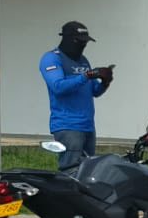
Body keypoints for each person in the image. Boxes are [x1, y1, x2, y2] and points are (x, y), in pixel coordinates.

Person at [40, 20, 113, 173]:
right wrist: (86, 76)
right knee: (71, 171)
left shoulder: (83, 61)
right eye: (79, 42)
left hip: (87, 125)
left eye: (85, 42)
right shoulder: (52, 59)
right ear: (68, 39)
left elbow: (95, 91)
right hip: (67, 125)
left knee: (88, 171)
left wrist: (105, 81)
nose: (83, 45)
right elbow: (58, 87)